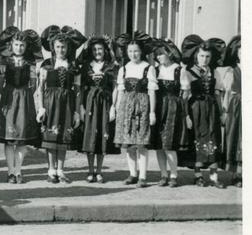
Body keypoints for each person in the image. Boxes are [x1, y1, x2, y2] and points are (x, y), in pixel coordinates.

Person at [37, 25, 86, 184]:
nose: (60, 50)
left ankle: (61, 170)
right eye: (57, 47)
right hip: (50, 104)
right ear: (53, 47)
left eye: (63, 47)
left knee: (64, 137)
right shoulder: (46, 65)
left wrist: (77, 111)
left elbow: (78, 90)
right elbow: (40, 88)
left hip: (67, 105)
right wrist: (41, 107)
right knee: (51, 137)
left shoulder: (73, 67)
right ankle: (51, 170)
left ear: (68, 48)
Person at [0, 26, 42, 184]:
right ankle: (10, 172)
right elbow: (0, 83)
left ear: (26, 46)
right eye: (16, 45)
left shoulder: (30, 62)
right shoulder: (5, 60)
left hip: (24, 99)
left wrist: (24, 95)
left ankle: (18, 171)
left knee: (21, 138)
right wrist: (8, 95)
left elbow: (34, 84)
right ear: (11, 45)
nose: (19, 48)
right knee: (9, 139)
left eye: (22, 45)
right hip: (9, 98)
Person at [179, 35, 226, 188]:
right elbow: (185, 96)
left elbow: (218, 94)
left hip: (211, 110)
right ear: (196, 56)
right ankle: (198, 176)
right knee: (198, 139)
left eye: (207, 56)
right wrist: (186, 116)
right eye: (201, 56)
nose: (204, 59)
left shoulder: (215, 73)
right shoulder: (188, 72)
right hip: (196, 110)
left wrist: (222, 113)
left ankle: (213, 177)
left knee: (214, 138)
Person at [111, 32, 157, 188]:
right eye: (130, 51)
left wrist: (152, 112)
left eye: (136, 51)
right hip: (126, 108)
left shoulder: (148, 68)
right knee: (129, 143)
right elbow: (121, 90)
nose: (133, 54)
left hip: (142, 108)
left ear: (141, 51)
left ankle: (143, 176)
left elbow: (151, 91)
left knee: (141, 143)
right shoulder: (123, 68)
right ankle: (133, 174)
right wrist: (117, 109)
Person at [77, 36, 120, 184]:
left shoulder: (111, 66)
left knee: (103, 135)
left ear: (105, 50)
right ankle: (90, 170)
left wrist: (114, 107)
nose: (97, 52)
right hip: (89, 103)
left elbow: (115, 88)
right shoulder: (86, 66)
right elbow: (81, 88)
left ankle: (99, 171)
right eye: (95, 49)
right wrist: (81, 107)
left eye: (100, 49)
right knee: (90, 136)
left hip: (105, 104)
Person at [148, 38, 187, 187]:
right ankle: (163, 174)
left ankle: (174, 175)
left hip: (172, 109)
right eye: (156, 55)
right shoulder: (155, 70)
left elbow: (185, 93)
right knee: (159, 145)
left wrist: (182, 111)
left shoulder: (179, 69)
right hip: (158, 107)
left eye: (161, 54)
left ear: (169, 53)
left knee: (169, 145)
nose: (158, 57)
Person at [217, 35, 241, 187]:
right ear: (237, 54)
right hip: (236, 107)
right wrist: (224, 112)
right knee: (235, 138)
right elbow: (226, 93)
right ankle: (237, 174)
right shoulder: (232, 71)